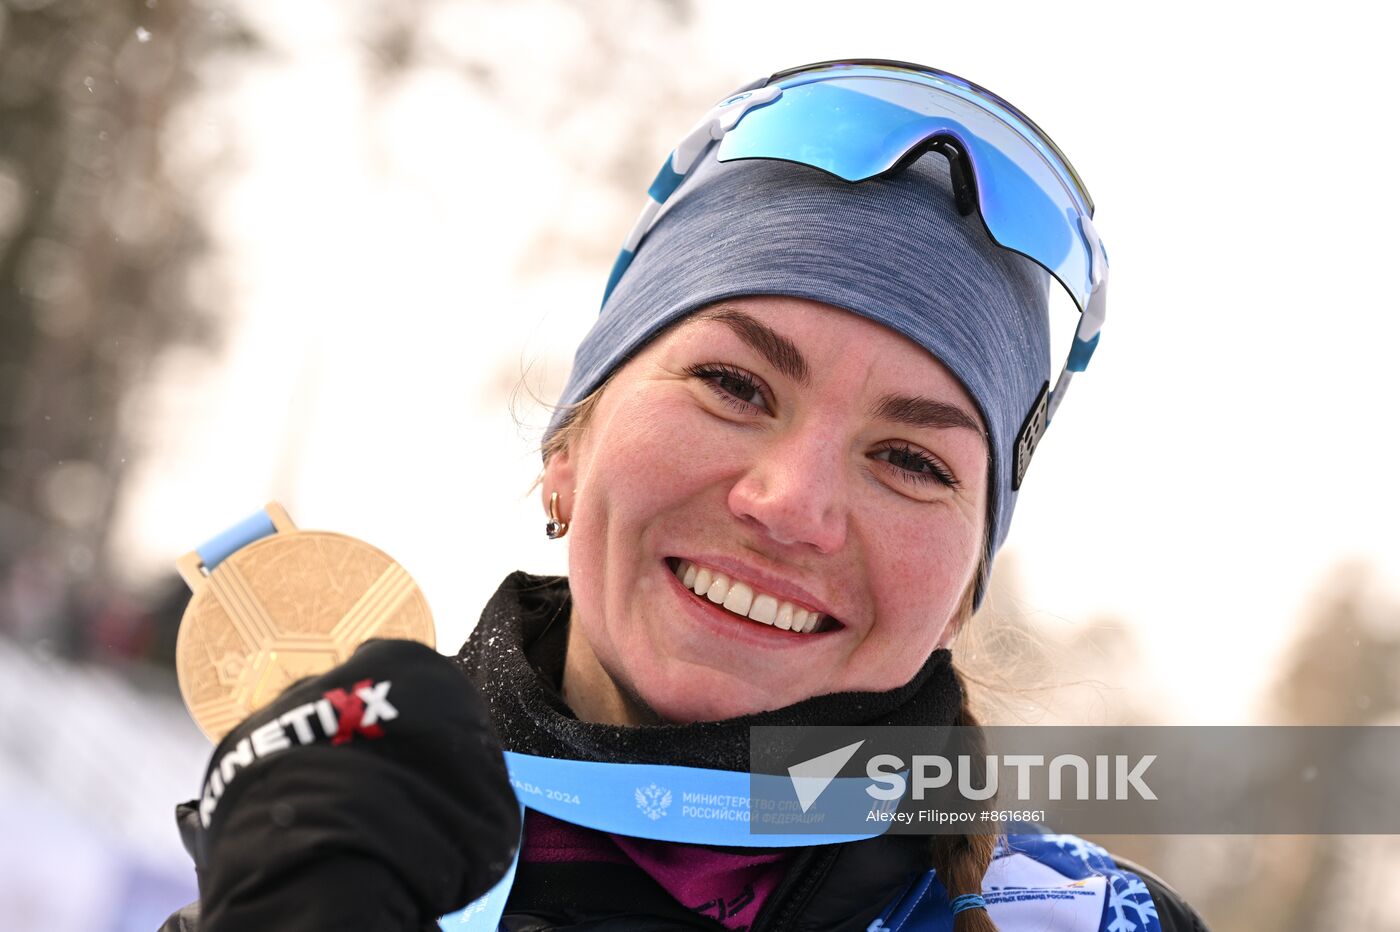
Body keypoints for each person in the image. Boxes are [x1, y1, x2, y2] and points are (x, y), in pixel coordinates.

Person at [162, 60, 1209, 931]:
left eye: (910, 460)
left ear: (963, 586)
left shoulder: (1087, 920)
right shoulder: (349, 839)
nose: (792, 503)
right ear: (568, 448)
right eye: (733, 385)